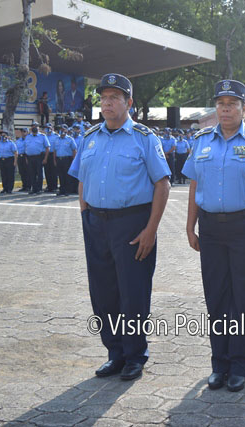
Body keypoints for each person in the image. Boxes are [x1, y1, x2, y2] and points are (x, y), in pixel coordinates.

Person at [68, 73, 171, 381]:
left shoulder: (143, 137)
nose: (107, 103)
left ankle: (135, 355)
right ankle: (114, 352)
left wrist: (150, 229)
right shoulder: (89, 137)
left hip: (132, 224)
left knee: (133, 293)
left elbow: (162, 184)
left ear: (129, 103)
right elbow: (82, 179)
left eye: (114, 97)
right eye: (104, 98)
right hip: (97, 223)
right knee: (103, 293)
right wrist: (86, 213)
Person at [183, 79, 245, 393]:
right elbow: (194, 185)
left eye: (232, 104)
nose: (226, 109)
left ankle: (239, 364)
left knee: (244, 298)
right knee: (217, 298)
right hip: (211, 228)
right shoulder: (202, 140)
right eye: (221, 104)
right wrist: (190, 225)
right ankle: (219, 363)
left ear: (244, 108)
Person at [24, 121, 50, 194]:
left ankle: (39, 189)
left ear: (38, 127)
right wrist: (26, 158)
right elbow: (26, 148)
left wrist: (45, 158)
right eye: (33, 126)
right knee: (32, 173)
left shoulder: (43, 136)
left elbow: (48, 147)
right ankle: (34, 188)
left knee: (39, 173)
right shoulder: (28, 136)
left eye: (36, 126)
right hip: (29, 157)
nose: (34, 127)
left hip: (39, 157)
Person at [53, 124, 77, 196]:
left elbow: (74, 150)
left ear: (66, 130)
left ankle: (67, 190)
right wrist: (54, 160)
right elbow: (54, 151)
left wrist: (73, 160)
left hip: (67, 159)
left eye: (63, 129)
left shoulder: (70, 139)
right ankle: (62, 190)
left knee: (67, 176)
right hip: (59, 159)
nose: (62, 131)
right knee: (60, 175)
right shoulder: (56, 139)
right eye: (61, 129)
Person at [43, 123, 59, 192]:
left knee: (53, 171)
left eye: (49, 127)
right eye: (46, 127)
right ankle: (49, 186)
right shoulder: (44, 136)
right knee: (47, 171)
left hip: (53, 154)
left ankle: (54, 186)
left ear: (52, 128)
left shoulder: (56, 136)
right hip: (46, 154)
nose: (48, 129)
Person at [16, 128, 30, 192]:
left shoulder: (29, 140)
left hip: (26, 156)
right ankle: (24, 186)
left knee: (28, 172)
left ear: (27, 132)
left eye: (24, 131)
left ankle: (29, 186)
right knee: (22, 172)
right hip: (20, 156)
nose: (23, 133)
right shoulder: (18, 140)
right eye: (22, 131)